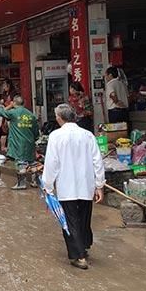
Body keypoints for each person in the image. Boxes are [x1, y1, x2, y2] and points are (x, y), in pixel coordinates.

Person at [41, 104, 106, 270]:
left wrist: (47, 186)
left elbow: (51, 163)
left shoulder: (56, 136)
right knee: (84, 219)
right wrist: (99, 185)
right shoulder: (88, 135)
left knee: (70, 221)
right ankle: (83, 246)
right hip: (86, 185)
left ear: (59, 118)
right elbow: (97, 161)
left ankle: (79, 256)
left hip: (66, 186)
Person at [0, 95, 40, 189]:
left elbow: (3, 112)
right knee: (32, 162)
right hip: (30, 142)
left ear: (14, 103)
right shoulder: (31, 115)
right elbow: (36, 131)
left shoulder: (14, 113)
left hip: (18, 142)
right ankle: (35, 181)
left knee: (20, 162)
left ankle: (21, 184)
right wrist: (34, 139)